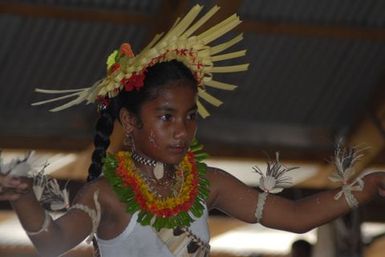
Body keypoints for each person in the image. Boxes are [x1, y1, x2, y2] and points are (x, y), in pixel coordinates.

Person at [0, 5, 384, 257]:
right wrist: (23, 199)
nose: (182, 130)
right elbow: (52, 242)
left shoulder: (208, 182)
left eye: (189, 116)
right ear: (130, 122)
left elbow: (297, 216)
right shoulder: (106, 195)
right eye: (166, 117)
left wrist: (363, 188)